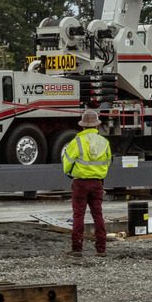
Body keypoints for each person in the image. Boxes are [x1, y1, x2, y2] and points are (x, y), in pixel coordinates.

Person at [62, 108, 113, 256]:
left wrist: (71, 174)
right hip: (97, 182)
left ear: (82, 126)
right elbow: (108, 162)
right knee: (98, 215)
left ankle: (77, 248)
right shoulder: (104, 142)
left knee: (79, 215)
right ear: (97, 126)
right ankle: (101, 249)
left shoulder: (77, 141)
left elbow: (67, 162)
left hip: (80, 183)